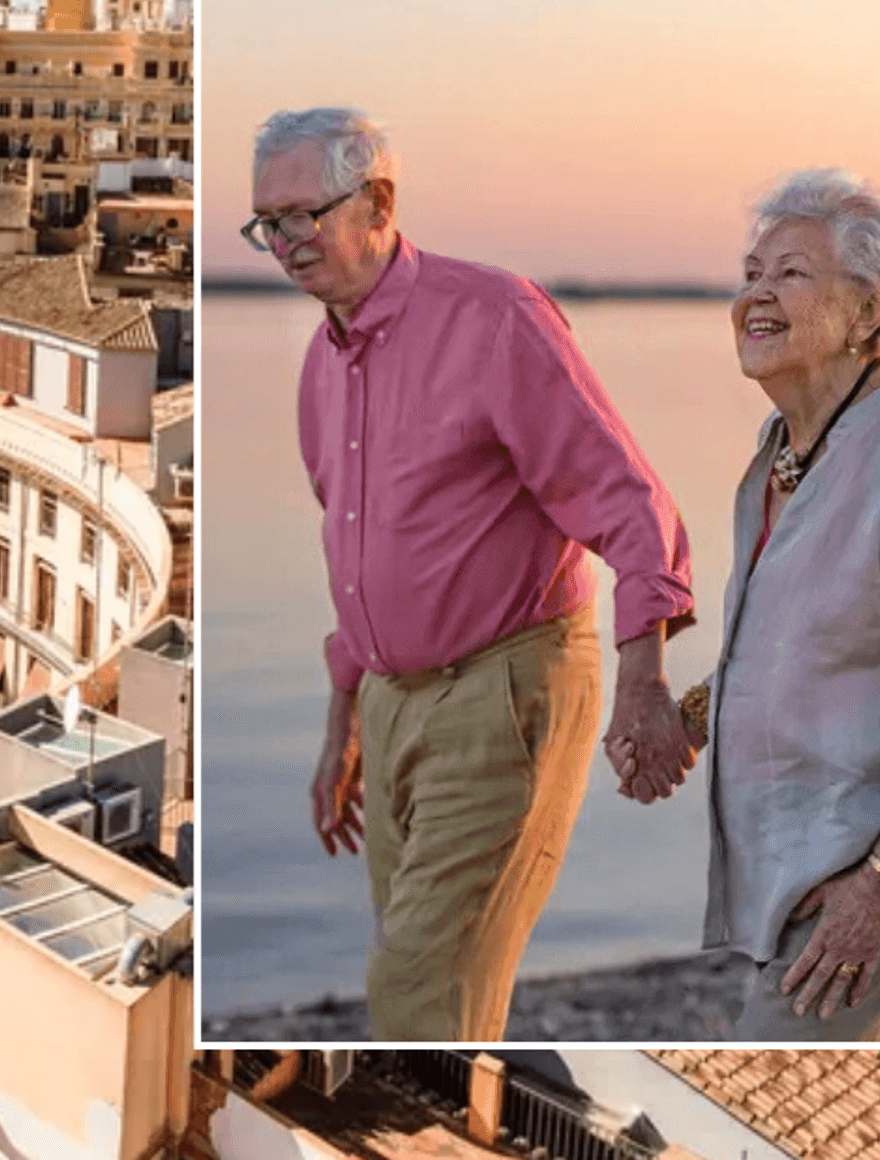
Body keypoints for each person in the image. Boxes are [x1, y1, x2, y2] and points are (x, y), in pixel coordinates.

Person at [250, 107, 697, 1039]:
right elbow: (353, 547)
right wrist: (343, 724)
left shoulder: (495, 319)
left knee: (421, 991)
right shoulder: (319, 365)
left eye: (303, 215)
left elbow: (628, 501)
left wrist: (644, 680)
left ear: (377, 202)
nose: (286, 242)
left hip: (504, 689)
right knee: (427, 983)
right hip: (388, 699)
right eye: (268, 224)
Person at [682, 168, 880, 1038]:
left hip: (865, 899)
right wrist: (693, 710)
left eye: (790, 274)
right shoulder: (787, 448)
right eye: (751, 273)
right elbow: (825, 649)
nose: (754, 295)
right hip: (794, 891)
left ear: (872, 313)